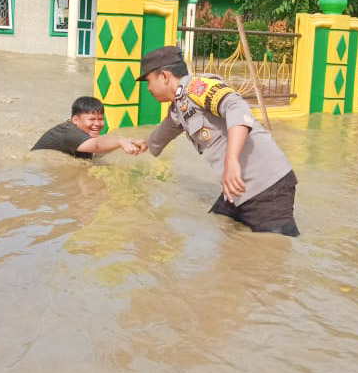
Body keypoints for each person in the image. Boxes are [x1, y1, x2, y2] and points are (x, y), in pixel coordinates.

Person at [136, 46, 299, 236]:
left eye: (148, 81)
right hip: (236, 190)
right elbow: (164, 133)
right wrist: (145, 143)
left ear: (164, 76)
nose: (148, 88)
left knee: (273, 250)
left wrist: (231, 160)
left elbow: (236, 107)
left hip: (268, 187)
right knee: (222, 234)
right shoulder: (178, 106)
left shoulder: (198, 86)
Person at [31, 96, 144, 159]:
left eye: (100, 119)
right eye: (91, 119)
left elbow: (100, 144)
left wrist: (130, 141)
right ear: (75, 120)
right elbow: (97, 146)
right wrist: (120, 142)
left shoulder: (84, 133)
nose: (97, 124)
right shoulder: (70, 133)